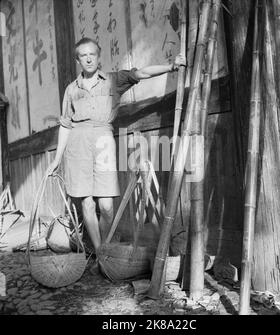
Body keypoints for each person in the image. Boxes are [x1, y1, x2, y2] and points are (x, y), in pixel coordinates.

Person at [46, 37, 186, 267]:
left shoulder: (113, 80)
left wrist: (171, 66)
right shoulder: (71, 89)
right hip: (77, 144)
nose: (89, 58)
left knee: (107, 207)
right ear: (78, 60)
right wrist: (56, 158)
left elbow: (141, 73)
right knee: (87, 204)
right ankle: (101, 254)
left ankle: (102, 246)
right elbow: (65, 125)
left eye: (92, 54)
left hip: (103, 140)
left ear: (99, 57)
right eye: (83, 55)